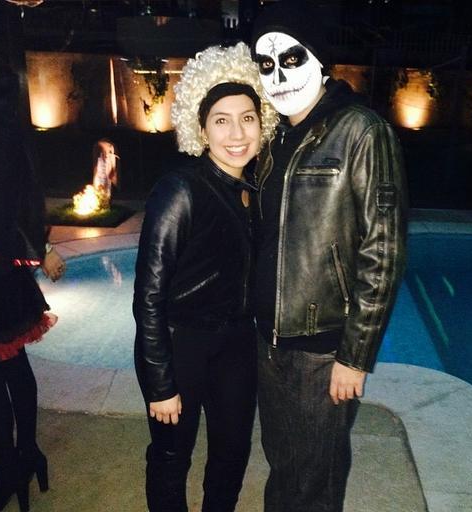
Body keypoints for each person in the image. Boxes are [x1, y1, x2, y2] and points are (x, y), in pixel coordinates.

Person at [249, 3, 408, 511]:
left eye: (291, 58)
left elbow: (383, 251)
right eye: (266, 64)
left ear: (320, 59)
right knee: (283, 464)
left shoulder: (362, 131)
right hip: (270, 340)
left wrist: (354, 357)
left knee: (316, 477)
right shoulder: (273, 137)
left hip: (324, 349)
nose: (278, 75)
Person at [133, 42, 278, 512]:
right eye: (221, 120)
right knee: (172, 456)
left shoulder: (255, 189)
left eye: (247, 118)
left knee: (232, 452)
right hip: (182, 346)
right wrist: (161, 384)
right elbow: (148, 296)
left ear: (262, 123)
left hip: (237, 344)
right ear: (201, 129)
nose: (237, 133)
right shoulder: (180, 190)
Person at [0, 47, 65, 511]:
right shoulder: (10, 132)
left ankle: (7, 473)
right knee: (14, 366)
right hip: (5, 272)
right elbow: (28, 201)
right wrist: (43, 247)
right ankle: (29, 453)